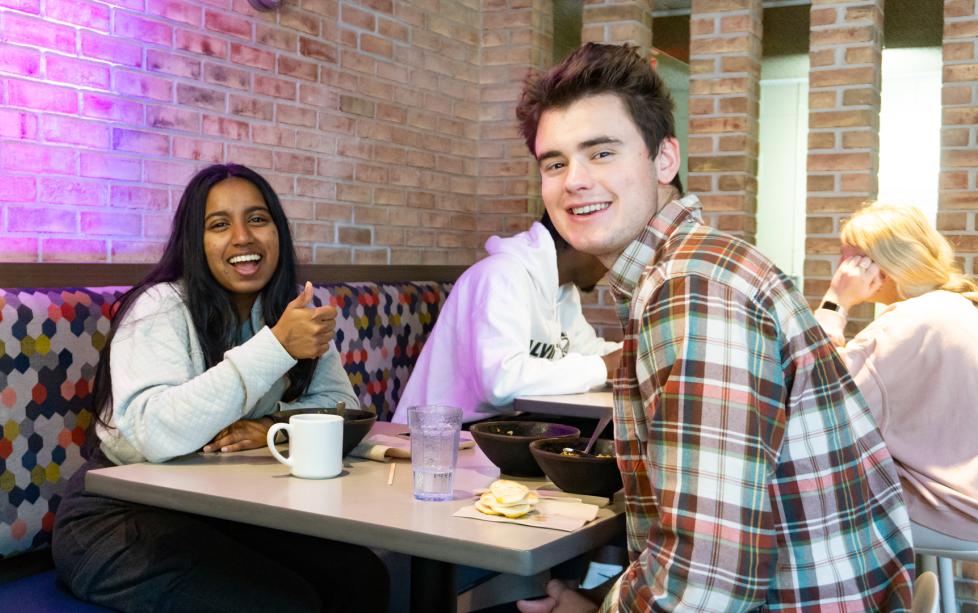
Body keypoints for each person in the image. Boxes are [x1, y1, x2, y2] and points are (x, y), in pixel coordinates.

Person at [515, 43, 914, 612]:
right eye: (554, 163)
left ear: (664, 160)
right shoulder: (688, 266)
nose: (574, 180)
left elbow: (706, 588)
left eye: (601, 153)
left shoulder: (693, 289)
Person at [51, 163, 388, 613]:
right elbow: (150, 432)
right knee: (286, 606)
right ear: (196, 242)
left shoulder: (286, 312)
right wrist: (276, 346)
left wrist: (272, 426)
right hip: (117, 519)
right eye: (218, 225)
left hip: (220, 514)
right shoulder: (160, 307)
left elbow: (342, 406)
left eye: (257, 219)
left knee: (361, 577)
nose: (242, 238)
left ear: (278, 234)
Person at [814, 202, 978, 550]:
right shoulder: (956, 306)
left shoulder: (907, 323)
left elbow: (821, 397)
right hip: (966, 498)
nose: (841, 269)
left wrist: (835, 301)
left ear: (879, 265)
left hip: (947, 509)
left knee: (802, 501)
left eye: (849, 259)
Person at [391, 212, 622, 425]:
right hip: (436, 438)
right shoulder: (501, 276)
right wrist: (604, 366)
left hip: (499, 427)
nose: (616, 262)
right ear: (577, 238)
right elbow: (501, 382)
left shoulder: (561, 290)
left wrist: (633, 353)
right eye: (614, 247)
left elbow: (586, 351)